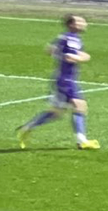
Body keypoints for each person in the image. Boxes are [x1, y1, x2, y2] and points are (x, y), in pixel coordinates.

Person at [16, 14, 100, 150]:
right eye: (80, 21)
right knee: (79, 106)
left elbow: (49, 49)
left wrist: (59, 54)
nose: (85, 23)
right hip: (67, 80)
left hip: (62, 78)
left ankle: (27, 128)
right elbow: (70, 56)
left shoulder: (64, 37)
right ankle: (82, 141)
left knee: (57, 112)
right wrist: (85, 57)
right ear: (71, 25)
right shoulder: (72, 39)